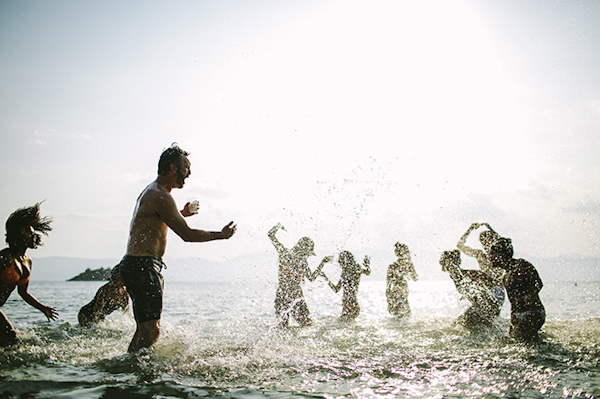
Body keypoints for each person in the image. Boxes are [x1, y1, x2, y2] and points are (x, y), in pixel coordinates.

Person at [119, 144, 236, 353]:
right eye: (186, 168)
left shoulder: (153, 191)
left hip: (137, 265)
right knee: (151, 332)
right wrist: (221, 235)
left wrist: (182, 213)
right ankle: (133, 372)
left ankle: (131, 371)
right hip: (143, 266)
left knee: (144, 330)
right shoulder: (160, 196)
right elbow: (187, 235)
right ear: (173, 168)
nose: (189, 173)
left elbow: (157, 221)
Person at [0, 203, 58, 346]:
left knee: (9, 343)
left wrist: (42, 308)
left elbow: (23, 292)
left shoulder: (27, 262)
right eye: (27, 230)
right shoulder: (5, 257)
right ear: (18, 233)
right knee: (11, 337)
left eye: (32, 231)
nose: (33, 233)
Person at [268, 223, 332, 327]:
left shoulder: (284, 252)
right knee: (307, 324)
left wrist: (278, 226)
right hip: (296, 294)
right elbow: (311, 278)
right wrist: (322, 263)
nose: (307, 254)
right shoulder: (301, 260)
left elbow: (270, 234)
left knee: (282, 327)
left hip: (282, 292)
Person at [489, 238, 545, 342]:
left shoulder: (521, 265)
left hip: (532, 312)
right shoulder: (505, 277)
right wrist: (513, 319)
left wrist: (530, 295)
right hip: (518, 315)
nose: (490, 258)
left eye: (492, 254)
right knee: (516, 342)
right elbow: (512, 302)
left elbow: (538, 283)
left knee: (520, 342)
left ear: (501, 255)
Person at [440, 249, 503, 331]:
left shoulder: (464, 276)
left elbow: (484, 291)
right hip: (490, 299)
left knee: (468, 320)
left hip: (495, 295)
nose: (441, 263)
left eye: (443, 261)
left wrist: (491, 307)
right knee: (461, 322)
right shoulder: (458, 276)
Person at [324, 251, 371, 321]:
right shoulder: (353, 269)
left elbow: (336, 289)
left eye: (341, 261)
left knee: (342, 326)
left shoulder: (350, 270)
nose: (340, 264)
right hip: (351, 305)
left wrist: (326, 278)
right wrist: (367, 266)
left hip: (349, 305)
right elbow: (367, 272)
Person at [386, 243, 418, 318]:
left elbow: (388, 283)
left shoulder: (393, 266)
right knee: (405, 311)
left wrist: (388, 295)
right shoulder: (408, 265)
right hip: (402, 289)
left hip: (395, 289)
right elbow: (415, 278)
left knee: (397, 312)